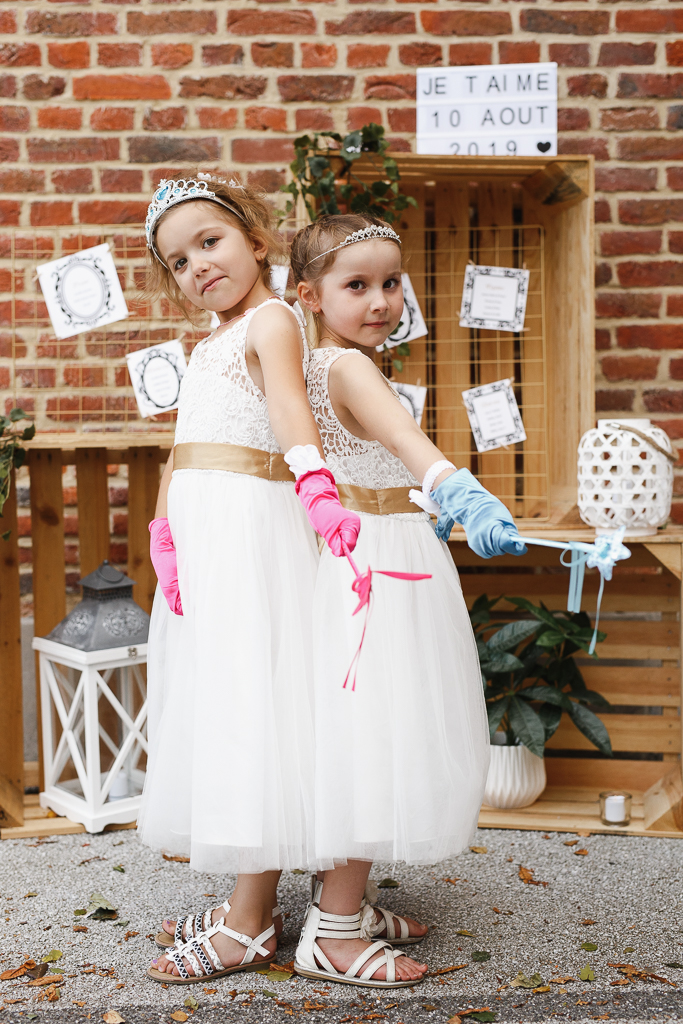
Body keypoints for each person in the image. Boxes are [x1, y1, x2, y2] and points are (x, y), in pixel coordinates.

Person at [289, 214, 526, 989]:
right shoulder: (347, 368)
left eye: (391, 282)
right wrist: (457, 488)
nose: (381, 300)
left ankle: (344, 902)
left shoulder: (331, 363)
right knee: (375, 736)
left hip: (374, 546)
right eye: (356, 285)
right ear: (311, 296)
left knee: (361, 733)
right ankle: (331, 932)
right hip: (380, 564)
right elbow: (403, 440)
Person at [137, 175, 361, 985]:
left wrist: (315, 486)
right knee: (223, 701)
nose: (197, 265)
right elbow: (184, 447)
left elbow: (291, 410)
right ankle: (252, 903)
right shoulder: (204, 344)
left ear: (255, 241)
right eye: (178, 261)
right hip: (203, 535)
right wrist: (164, 534)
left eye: (209, 241)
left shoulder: (271, 321)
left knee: (253, 706)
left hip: (249, 532)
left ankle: (250, 919)